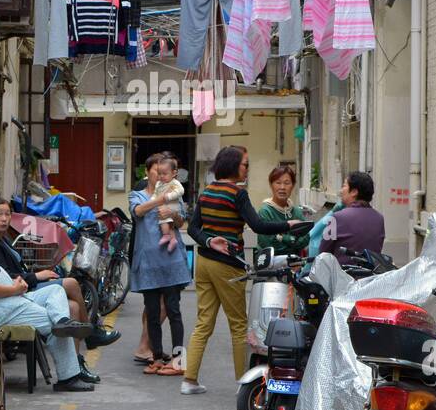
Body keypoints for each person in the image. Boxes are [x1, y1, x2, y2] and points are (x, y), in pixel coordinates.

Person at [182, 145, 301, 395]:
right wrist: (288, 225)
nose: (247, 168)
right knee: (238, 325)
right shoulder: (238, 194)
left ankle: (189, 380)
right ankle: (242, 385)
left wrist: (207, 240)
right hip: (228, 265)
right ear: (234, 165)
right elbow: (257, 225)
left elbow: (192, 229)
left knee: (203, 322)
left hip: (203, 262)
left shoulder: (206, 192)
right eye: (245, 164)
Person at [0, 197, 95, 393]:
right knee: (51, 321)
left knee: (56, 289)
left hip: (12, 298)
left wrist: (15, 287)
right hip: (0, 308)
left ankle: (62, 321)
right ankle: (69, 377)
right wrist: (13, 289)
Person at [0, 195, 118, 384]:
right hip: (17, 291)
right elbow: (7, 276)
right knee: (71, 283)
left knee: (73, 308)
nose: (4, 219)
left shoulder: (2, 238)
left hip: (23, 286)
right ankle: (92, 334)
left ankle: (75, 367)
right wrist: (37, 276)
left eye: (8, 214)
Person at [129, 153, 191, 376]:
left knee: (174, 311)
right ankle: (156, 357)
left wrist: (172, 213)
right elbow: (137, 211)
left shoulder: (175, 195)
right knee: (152, 313)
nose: (161, 175)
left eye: (164, 172)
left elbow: (182, 220)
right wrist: (161, 199)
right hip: (148, 263)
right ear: (147, 173)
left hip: (171, 261)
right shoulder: (136, 195)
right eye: (157, 171)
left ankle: (178, 360)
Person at [318, 171, 386, 266]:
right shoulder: (379, 219)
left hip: (342, 277)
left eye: (344, 186)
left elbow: (323, 253)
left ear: (354, 192)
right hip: (371, 277)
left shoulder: (336, 218)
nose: (341, 191)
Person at [257, 164, 311, 257]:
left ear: (293, 185)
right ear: (271, 185)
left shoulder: (296, 211)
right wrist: (293, 241)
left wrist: (281, 237)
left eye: (287, 183)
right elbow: (268, 244)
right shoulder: (265, 211)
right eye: (278, 183)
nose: (282, 187)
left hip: (294, 266)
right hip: (271, 266)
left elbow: (306, 238)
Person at [152, 162, 185, 251]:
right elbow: (156, 193)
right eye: (159, 174)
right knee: (167, 222)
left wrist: (169, 196)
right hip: (165, 205)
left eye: (165, 174)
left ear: (174, 173)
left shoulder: (174, 182)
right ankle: (173, 239)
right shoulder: (159, 183)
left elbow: (181, 191)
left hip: (172, 205)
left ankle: (166, 235)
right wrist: (152, 200)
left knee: (164, 220)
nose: (162, 176)